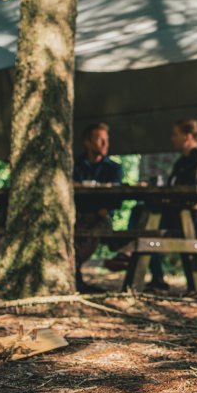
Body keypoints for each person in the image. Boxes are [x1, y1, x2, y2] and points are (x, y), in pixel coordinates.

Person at [144, 117, 197, 292]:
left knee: (148, 222)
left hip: (196, 217)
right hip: (176, 214)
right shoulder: (181, 162)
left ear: (187, 137)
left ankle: (131, 257)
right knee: (143, 215)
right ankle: (155, 276)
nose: (172, 139)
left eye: (175, 134)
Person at [72, 123, 123, 293]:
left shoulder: (113, 168)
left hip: (99, 217)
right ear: (87, 142)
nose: (105, 144)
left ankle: (73, 269)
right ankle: (74, 274)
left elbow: (114, 199)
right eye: (100, 139)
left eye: (106, 139)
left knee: (95, 228)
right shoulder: (74, 165)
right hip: (76, 215)